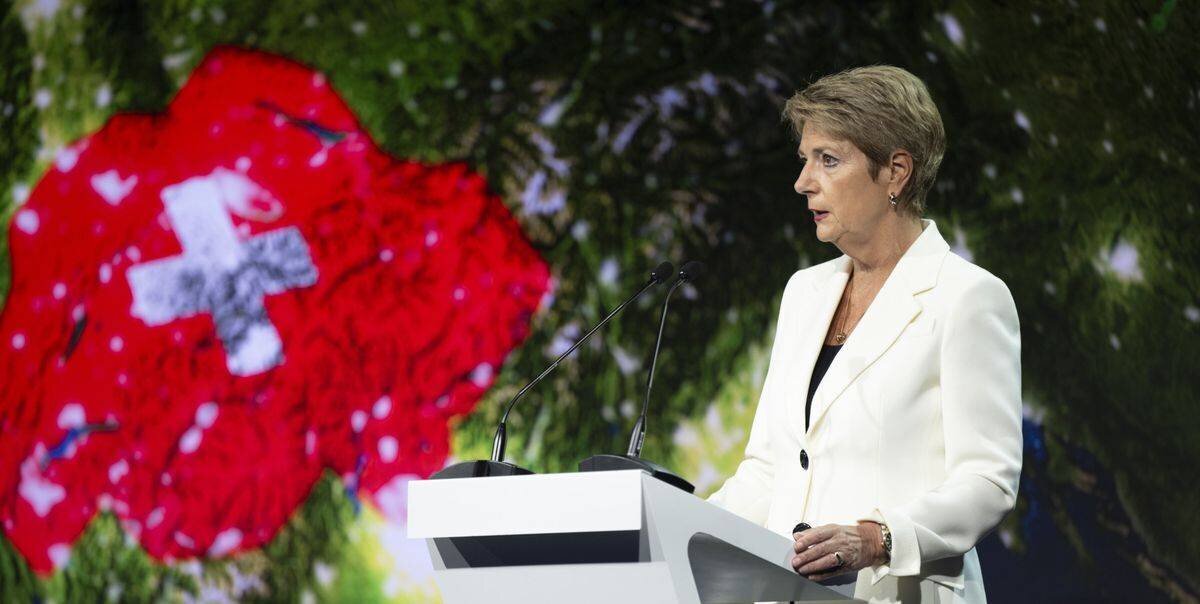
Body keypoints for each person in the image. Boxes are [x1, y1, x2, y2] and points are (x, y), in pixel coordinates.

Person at [707, 65, 1023, 603]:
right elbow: (769, 471)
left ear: (896, 172)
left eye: (828, 160)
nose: (803, 181)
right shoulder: (804, 293)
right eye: (804, 159)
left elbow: (987, 481)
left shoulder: (967, 297)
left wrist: (877, 538)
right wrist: (679, 530)